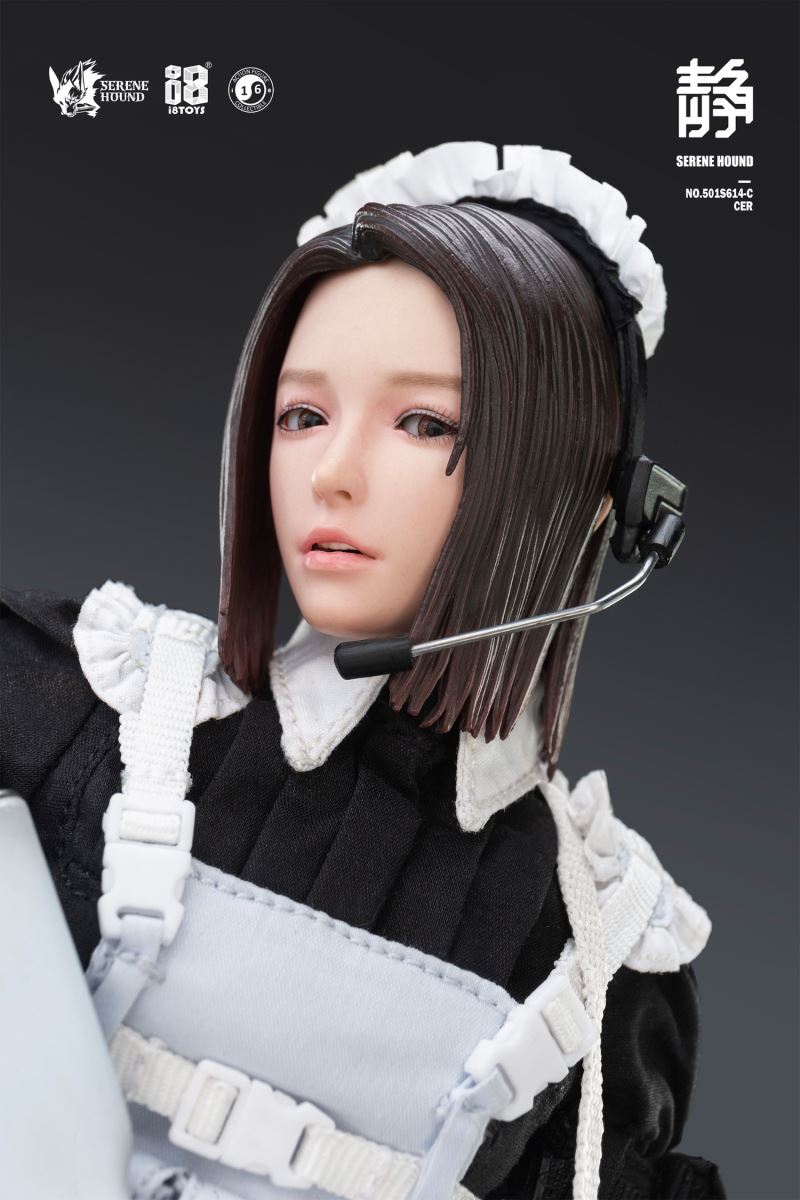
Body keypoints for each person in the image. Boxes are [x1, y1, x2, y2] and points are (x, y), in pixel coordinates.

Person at [0, 142, 724, 1200]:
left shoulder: (598, 953)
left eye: (424, 423)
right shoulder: (72, 713)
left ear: (589, 492)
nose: (331, 474)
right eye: (301, 416)